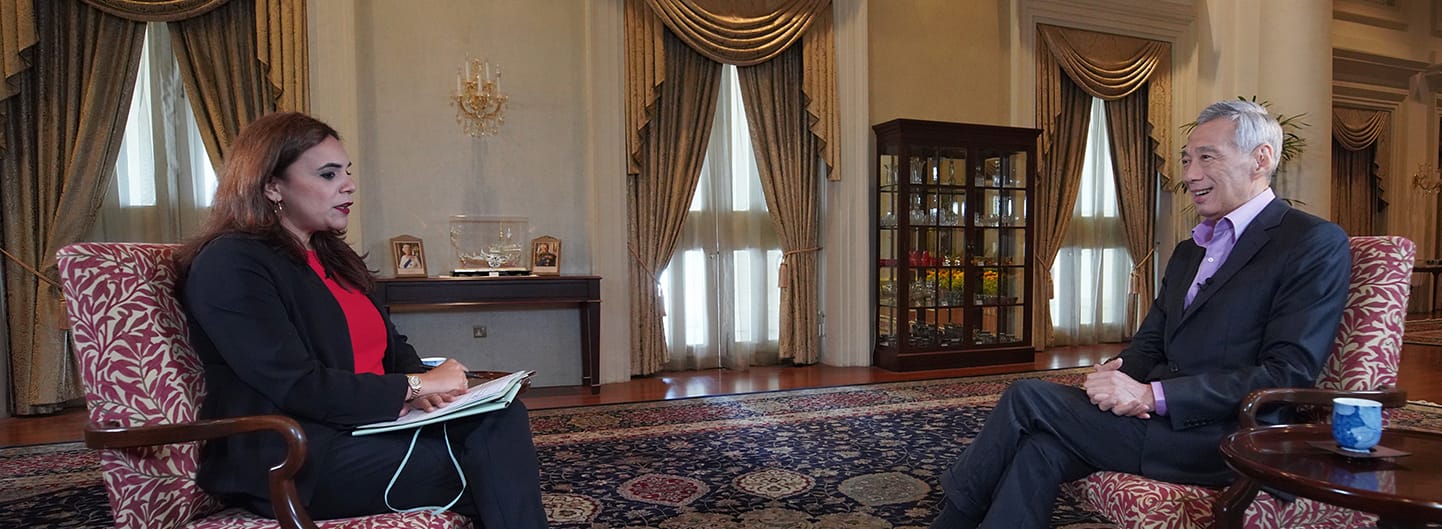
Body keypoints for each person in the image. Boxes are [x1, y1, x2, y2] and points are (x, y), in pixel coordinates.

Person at [930, 100, 1351, 529]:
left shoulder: (1312, 242)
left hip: (1230, 436)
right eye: (1187, 159)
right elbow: (1150, 342)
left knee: (1026, 397)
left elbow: (1287, 373)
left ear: (1261, 159)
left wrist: (1152, 395)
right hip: (1159, 424)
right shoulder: (1189, 251)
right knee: (1040, 447)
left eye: (1207, 157)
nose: (1190, 175)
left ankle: (952, 520)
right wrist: (1115, 380)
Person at [174, 112, 547, 528]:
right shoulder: (231, 262)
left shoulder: (333, 255)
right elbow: (298, 385)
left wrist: (426, 390)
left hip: (372, 428)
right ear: (272, 186)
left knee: (501, 418)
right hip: (299, 455)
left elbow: (392, 345)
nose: (349, 185)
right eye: (328, 174)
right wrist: (415, 385)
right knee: (490, 469)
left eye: (346, 171)